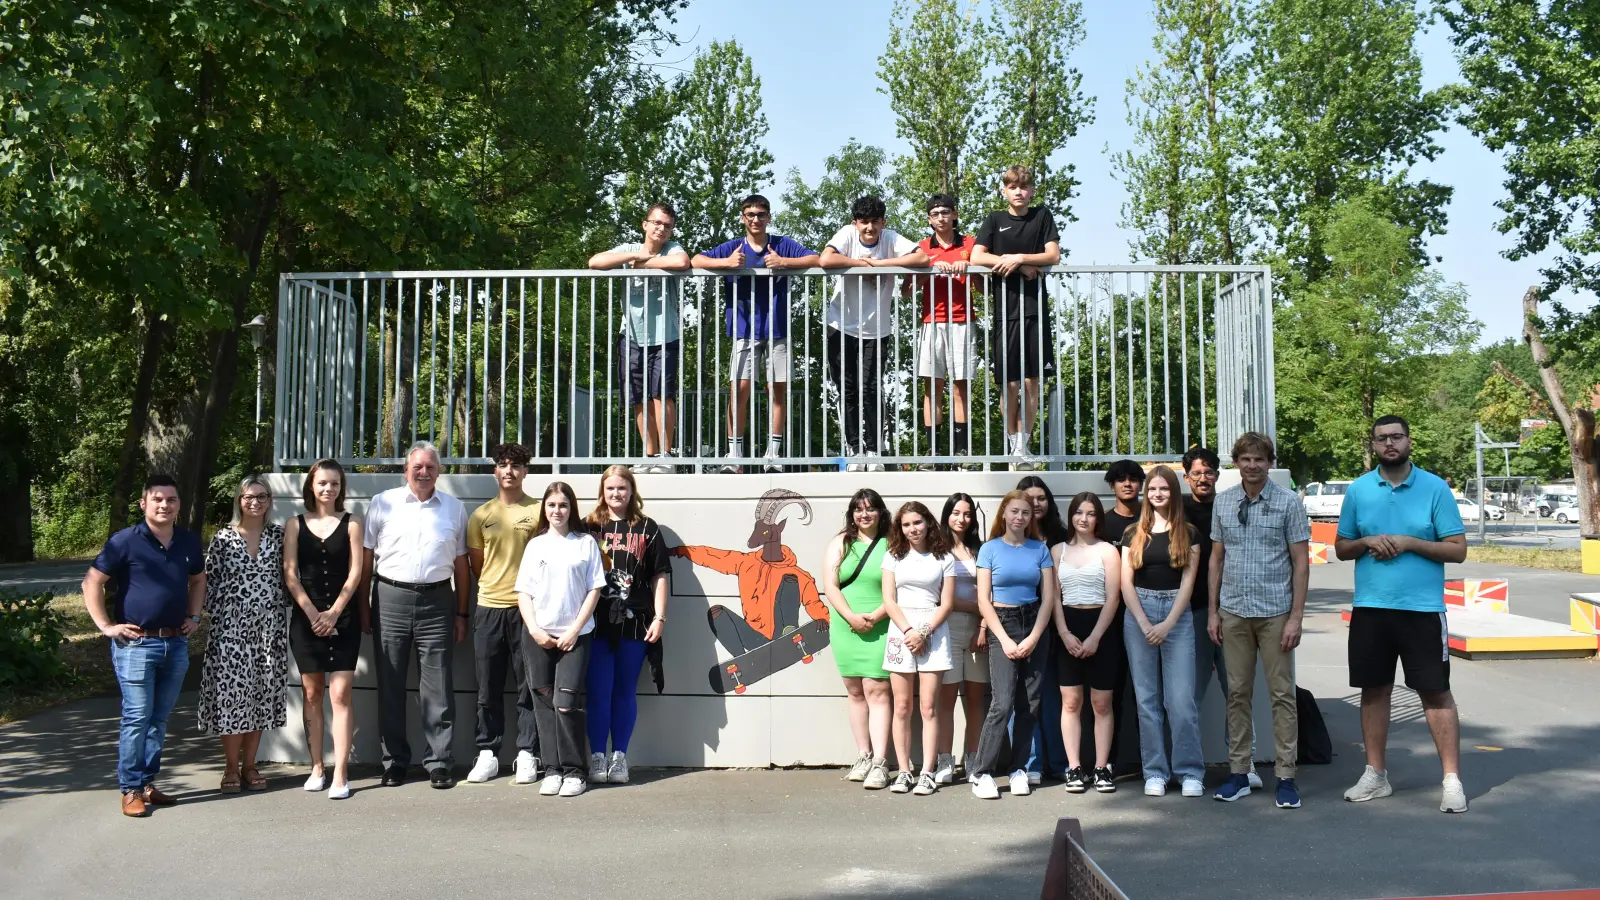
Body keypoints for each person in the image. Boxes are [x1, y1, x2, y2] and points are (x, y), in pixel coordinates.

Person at [1334, 415, 1469, 813]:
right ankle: (1375, 775)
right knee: (1373, 690)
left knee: (1435, 692)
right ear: (1374, 445)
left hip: (1422, 610)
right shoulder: (1359, 490)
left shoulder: (1434, 488)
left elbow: (1458, 549)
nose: (1389, 443)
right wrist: (1366, 541)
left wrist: (1410, 542)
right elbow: (1341, 547)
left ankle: (1451, 780)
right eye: (1382, 438)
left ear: (1409, 441)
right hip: (1371, 607)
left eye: (1396, 437)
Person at [82, 474, 205, 818]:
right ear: (143, 503)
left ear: (179, 505)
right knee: (137, 718)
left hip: (175, 643)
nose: (165, 505)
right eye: (157, 499)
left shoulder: (188, 541)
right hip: (136, 645)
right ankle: (130, 789)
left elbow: (198, 579)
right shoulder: (124, 541)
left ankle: (148, 783)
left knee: (159, 719)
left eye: (171, 499)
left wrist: (195, 616)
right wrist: (106, 626)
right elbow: (91, 582)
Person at [1209, 432, 1310, 809]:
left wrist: (1296, 617)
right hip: (1233, 611)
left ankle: (1286, 776)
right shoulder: (1223, 502)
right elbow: (1216, 559)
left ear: (1270, 463)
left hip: (1275, 613)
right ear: (1236, 463)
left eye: (1259, 459)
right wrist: (1213, 612)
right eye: (1246, 459)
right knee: (1237, 693)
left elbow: (1301, 562)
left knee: (1282, 695)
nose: (1252, 465)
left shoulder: (1288, 502)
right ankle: (1239, 772)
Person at [365, 441, 470, 790]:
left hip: (438, 601)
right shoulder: (382, 503)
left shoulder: (454, 508)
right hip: (389, 598)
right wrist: (364, 607)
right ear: (405, 470)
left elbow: (461, 565)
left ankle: (439, 762)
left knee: (438, 686)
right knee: (390, 684)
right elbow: (366, 558)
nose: (424, 472)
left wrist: (461, 612)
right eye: (418, 467)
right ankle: (394, 761)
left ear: (439, 471)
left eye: (430, 467)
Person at [691, 194, 821, 473]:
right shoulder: (733, 247)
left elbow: (816, 258)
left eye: (761, 214)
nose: (755, 219)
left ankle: (773, 456)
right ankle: (734, 456)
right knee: (739, 390)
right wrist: (726, 264)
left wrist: (784, 262)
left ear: (768, 217)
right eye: (750, 214)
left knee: (777, 390)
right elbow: (696, 260)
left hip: (778, 329)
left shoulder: (782, 244)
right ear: (743, 218)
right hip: (743, 331)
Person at [820, 195, 930, 470]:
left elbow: (922, 257)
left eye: (875, 222)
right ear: (855, 223)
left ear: (883, 222)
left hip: (876, 330)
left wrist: (881, 265)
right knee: (847, 390)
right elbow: (825, 259)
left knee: (870, 389)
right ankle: (854, 449)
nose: (869, 227)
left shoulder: (890, 239)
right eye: (864, 222)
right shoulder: (847, 235)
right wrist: (861, 264)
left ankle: (873, 449)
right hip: (840, 326)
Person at [515, 481, 607, 798]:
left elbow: (594, 589)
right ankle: (552, 770)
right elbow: (523, 593)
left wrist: (573, 630)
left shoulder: (585, 543)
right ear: (545, 508)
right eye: (552, 505)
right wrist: (535, 629)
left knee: (566, 704)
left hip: (575, 637)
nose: (557, 510)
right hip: (538, 636)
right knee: (543, 705)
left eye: (563, 505)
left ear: (572, 509)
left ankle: (574, 772)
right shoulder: (535, 545)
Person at [198, 476, 289, 794]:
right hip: (231, 629)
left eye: (262, 497)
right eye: (249, 496)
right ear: (239, 500)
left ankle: (250, 766)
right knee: (232, 696)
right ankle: (230, 768)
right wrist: (217, 619)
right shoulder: (223, 537)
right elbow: (208, 582)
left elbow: (290, 577)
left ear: (270, 501)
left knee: (260, 695)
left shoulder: (279, 536)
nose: (255, 502)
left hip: (269, 629)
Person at [1120, 465, 1205, 798]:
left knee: (1181, 700)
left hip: (1177, 617)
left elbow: (1188, 582)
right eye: (1153, 489)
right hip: (1138, 614)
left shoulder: (1189, 533)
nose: (1158, 494)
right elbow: (1125, 582)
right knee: (1147, 700)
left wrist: (1168, 623)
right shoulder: (1133, 533)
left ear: (1173, 492)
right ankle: (1155, 772)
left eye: (1164, 489)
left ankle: (1189, 771)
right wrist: (1144, 622)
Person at [587, 203, 690, 473]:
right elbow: (595, 262)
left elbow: (682, 262)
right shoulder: (629, 249)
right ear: (645, 224)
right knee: (639, 398)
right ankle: (649, 455)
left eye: (667, 225)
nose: (661, 229)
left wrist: (645, 263)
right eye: (656, 223)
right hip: (631, 336)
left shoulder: (672, 248)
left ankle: (666, 457)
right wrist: (634, 256)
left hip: (665, 336)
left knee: (662, 395)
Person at [284, 459, 365, 800]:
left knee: (340, 695)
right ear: (311, 486)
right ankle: (317, 767)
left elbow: (356, 572)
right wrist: (313, 614)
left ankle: (341, 774)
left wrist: (333, 613)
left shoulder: (352, 523)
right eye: (322, 483)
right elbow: (290, 574)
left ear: (341, 487)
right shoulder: (294, 524)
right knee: (312, 694)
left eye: (334, 483)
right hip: (306, 619)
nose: (328, 488)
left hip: (343, 618)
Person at [584, 466, 670, 786]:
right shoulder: (589, 527)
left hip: (635, 622)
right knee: (598, 691)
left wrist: (659, 617)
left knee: (624, 690)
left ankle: (619, 756)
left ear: (632, 490)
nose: (616, 493)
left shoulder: (648, 528)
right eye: (610, 488)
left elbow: (660, 576)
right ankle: (597, 755)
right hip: (595, 622)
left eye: (622, 488)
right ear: (602, 492)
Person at [971, 165, 1062, 469]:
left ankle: (1024, 443)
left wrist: (1021, 257)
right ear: (1004, 191)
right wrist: (1014, 264)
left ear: (1032, 190)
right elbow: (977, 256)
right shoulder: (994, 219)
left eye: (1024, 187)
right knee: (1009, 383)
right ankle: (1013, 446)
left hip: (1035, 310)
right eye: (1012, 187)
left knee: (1032, 381)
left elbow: (1053, 255)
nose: (1019, 192)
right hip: (1004, 312)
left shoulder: (1042, 216)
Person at [971, 490, 1058, 800]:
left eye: (1026, 512)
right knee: (1003, 703)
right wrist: (1005, 640)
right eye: (1015, 511)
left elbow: (1048, 598)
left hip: (1034, 622)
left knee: (1029, 703)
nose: (1020, 517)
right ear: (1004, 514)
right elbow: (983, 600)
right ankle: (982, 773)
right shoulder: (989, 549)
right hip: (1002, 623)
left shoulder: (1040, 549)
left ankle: (1018, 769)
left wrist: (1034, 637)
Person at [464, 444, 542, 786]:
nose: (509, 471)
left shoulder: (539, 511)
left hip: (529, 611)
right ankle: (488, 753)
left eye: (516, 465)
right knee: (488, 687)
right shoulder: (481, 515)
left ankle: (527, 753)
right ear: (495, 470)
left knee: (529, 686)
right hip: (489, 609)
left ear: (526, 471)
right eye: (503, 465)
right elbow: (476, 566)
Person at [1183, 445, 1259, 785]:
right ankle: (1190, 767)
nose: (1203, 478)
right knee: (1190, 694)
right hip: (1191, 613)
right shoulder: (1177, 510)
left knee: (1238, 691)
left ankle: (1244, 763)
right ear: (1186, 477)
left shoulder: (1231, 505)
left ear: (1217, 475)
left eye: (1209, 472)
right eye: (1196, 473)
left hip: (1232, 610)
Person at [1050, 492, 1125, 794]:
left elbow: (1113, 598)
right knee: (1071, 702)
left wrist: (1095, 637)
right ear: (1071, 516)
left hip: (1102, 631)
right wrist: (1065, 634)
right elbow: (1053, 598)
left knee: (1101, 703)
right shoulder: (1057, 551)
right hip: (1067, 628)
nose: (1084, 518)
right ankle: (1074, 768)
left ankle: (1101, 768)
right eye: (1079, 512)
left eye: (1091, 513)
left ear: (1098, 519)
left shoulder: (1108, 551)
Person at [880, 501, 957, 795]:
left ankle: (927, 772)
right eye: (906, 524)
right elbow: (889, 600)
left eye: (917, 522)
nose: (912, 529)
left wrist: (924, 632)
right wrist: (909, 631)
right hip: (901, 630)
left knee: (928, 707)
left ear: (928, 523)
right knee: (902, 705)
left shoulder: (944, 557)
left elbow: (947, 604)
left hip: (934, 631)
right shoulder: (892, 556)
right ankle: (904, 771)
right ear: (900, 528)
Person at [821, 488, 893, 789]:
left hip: (882, 624)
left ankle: (880, 762)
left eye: (871, 508)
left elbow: (901, 586)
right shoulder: (840, 542)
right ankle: (863, 755)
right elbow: (830, 586)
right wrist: (851, 616)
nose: (865, 514)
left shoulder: (893, 543)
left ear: (880, 512)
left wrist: (875, 616)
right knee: (855, 692)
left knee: (878, 691)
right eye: (859, 509)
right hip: (845, 626)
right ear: (852, 514)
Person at [907, 194, 977, 463]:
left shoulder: (970, 244)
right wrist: (930, 268)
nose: (941, 218)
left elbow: (985, 288)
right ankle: (933, 453)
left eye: (946, 212)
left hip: (963, 321)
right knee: (933, 388)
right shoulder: (922, 248)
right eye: (935, 214)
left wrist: (970, 267)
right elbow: (907, 289)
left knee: (960, 388)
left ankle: (962, 453)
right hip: (931, 322)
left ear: (955, 215)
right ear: (929, 219)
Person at [1015, 475, 1070, 783]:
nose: (1035, 504)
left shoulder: (1063, 537)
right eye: (1029, 498)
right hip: (1020, 624)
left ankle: (1060, 763)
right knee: (1025, 698)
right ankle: (1030, 764)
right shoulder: (1010, 539)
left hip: (1058, 626)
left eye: (1041, 498)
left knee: (1054, 698)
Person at [934, 493, 988, 785]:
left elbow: (989, 591)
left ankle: (973, 759)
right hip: (948, 627)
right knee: (946, 699)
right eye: (956, 513)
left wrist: (983, 623)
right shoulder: (936, 549)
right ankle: (945, 759)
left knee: (976, 700)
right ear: (947, 515)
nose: (961, 519)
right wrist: (977, 607)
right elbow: (941, 598)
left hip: (979, 629)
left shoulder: (981, 549)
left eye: (967, 514)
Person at [1100, 460, 1145, 544]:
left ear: (1141, 485)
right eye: (1121, 480)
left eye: (1133, 480)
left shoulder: (1152, 518)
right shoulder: (1102, 523)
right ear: (1112, 486)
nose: (1127, 484)